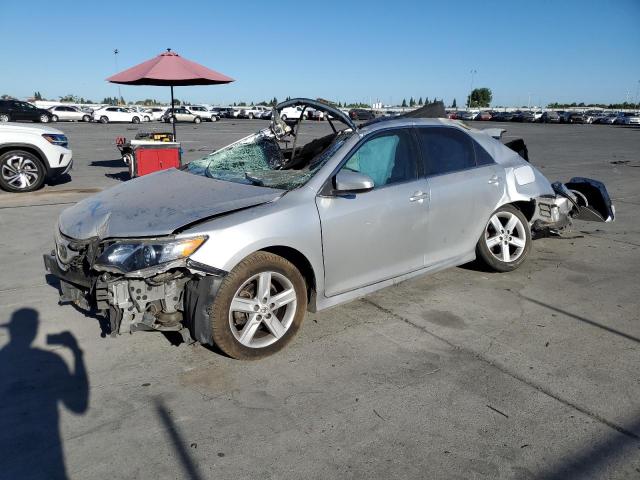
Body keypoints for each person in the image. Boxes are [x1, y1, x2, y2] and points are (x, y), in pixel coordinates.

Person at [0, 308, 88, 480]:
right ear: (35, 329)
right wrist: (76, 353)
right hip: (48, 460)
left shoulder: (4, 355)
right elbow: (79, 407)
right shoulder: (53, 360)